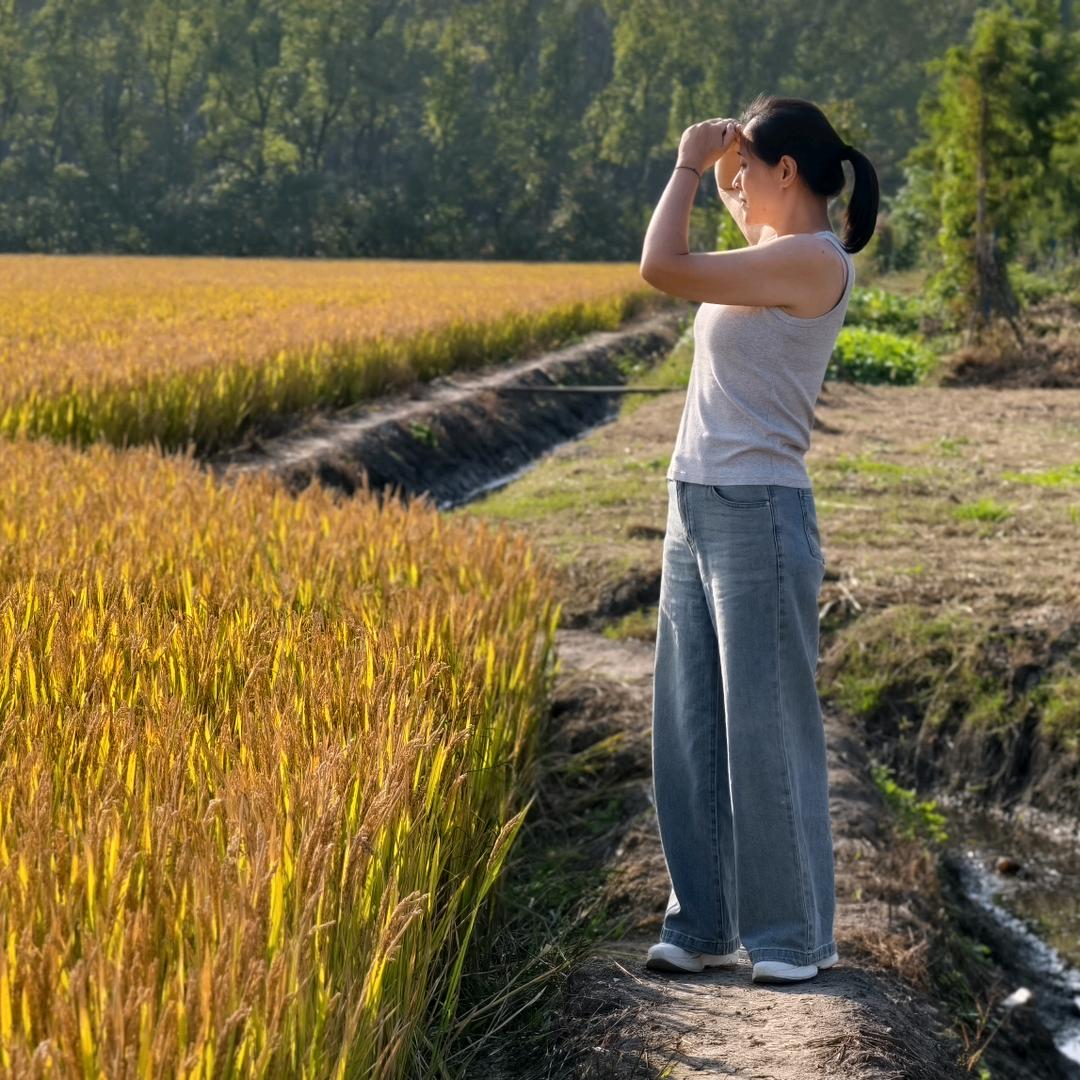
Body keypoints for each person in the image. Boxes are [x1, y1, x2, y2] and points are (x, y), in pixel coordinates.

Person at [637, 94, 880, 984]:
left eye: (748, 174)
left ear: (788, 173)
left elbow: (660, 265)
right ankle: (699, 925)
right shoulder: (774, 252)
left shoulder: (814, 263)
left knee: (765, 728)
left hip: (759, 511)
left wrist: (689, 164)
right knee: (690, 724)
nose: (734, 190)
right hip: (694, 498)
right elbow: (734, 225)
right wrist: (731, 162)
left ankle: (791, 939)